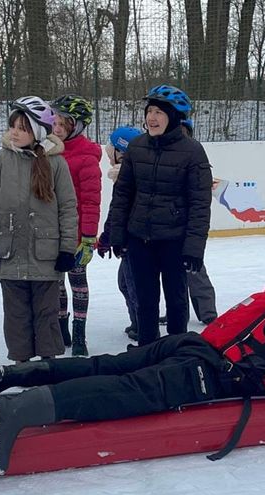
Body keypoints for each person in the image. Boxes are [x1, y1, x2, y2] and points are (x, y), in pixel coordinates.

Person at [0, 268, 265, 474]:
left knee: (108, 364)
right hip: (206, 372)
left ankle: (13, 375)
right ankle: (21, 410)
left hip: (191, 344)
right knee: (121, 392)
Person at [106, 84, 213, 345]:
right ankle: (148, 349)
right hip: (139, 238)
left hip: (174, 240)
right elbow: (122, 195)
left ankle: (176, 351)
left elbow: (200, 204)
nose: (151, 118)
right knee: (145, 300)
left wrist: (194, 248)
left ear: (174, 117)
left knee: (177, 301)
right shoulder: (137, 147)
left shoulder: (193, 151)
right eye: (149, 111)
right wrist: (117, 235)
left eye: (159, 112)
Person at [0, 97, 78, 363]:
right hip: (9, 252)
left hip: (46, 254)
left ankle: (47, 364)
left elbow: (68, 207)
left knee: (46, 313)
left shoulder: (56, 163)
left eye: (22, 127)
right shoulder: (0, 160)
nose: (15, 132)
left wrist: (67, 248)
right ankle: (21, 365)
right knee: (16, 315)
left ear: (37, 131)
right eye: (13, 126)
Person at [51, 94, 102, 356]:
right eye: (54, 122)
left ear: (77, 126)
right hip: (52, 231)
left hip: (77, 233)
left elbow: (92, 201)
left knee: (77, 281)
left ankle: (79, 331)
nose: (56, 128)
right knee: (57, 281)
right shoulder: (49, 151)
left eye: (62, 124)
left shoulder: (86, 158)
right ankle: (61, 328)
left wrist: (89, 237)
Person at [100, 125, 143, 341]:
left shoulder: (129, 177)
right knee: (126, 284)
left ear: (121, 152)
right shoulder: (127, 174)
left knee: (133, 286)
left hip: (132, 242)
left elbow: (118, 212)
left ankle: (143, 327)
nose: (108, 157)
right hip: (129, 241)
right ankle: (137, 322)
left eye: (111, 153)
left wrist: (107, 237)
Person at [180, 117, 219, 325]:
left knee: (195, 271)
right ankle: (177, 311)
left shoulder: (195, 158)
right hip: (168, 225)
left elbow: (200, 200)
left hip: (188, 227)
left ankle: (208, 313)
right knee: (173, 276)